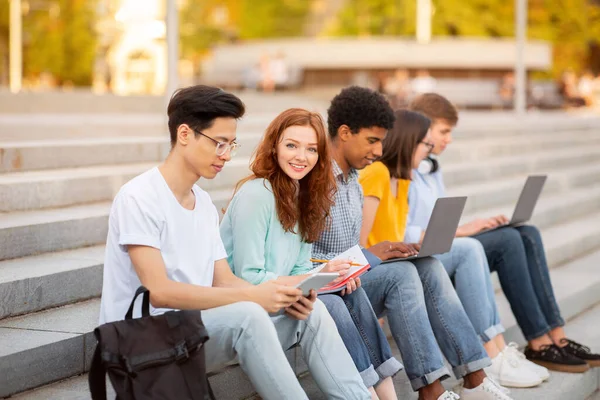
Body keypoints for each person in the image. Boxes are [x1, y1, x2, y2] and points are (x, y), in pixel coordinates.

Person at [98, 85, 370, 400]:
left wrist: (281, 294)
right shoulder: (139, 197)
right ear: (185, 134)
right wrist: (254, 296)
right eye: (219, 144)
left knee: (310, 313)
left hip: (193, 331)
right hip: (140, 340)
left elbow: (223, 280)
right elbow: (159, 292)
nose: (226, 155)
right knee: (249, 315)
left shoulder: (202, 203)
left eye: (231, 145)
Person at [314, 86, 512, 400]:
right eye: (372, 140)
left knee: (428, 264)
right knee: (406, 274)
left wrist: (382, 252)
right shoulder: (321, 179)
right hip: (331, 285)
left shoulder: (352, 180)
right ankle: (433, 390)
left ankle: (474, 378)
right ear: (344, 132)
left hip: (351, 277)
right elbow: (314, 257)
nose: (379, 150)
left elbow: (354, 250)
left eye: (382, 141)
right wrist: (373, 255)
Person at [408, 92, 600, 374]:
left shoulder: (432, 167)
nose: (449, 139)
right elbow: (404, 228)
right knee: (508, 241)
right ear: (422, 127)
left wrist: (475, 225)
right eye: (444, 131)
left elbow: (438, 219)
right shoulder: (404, 168)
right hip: (430, 250)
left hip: (447, 241)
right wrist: (462, 230)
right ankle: (538, 342)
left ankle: (556, 337)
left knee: (526, 232)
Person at [220, 108, 402, 399]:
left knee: (336, 296)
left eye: (311, 149)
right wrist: (317, 278)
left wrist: (327, 276)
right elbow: (247, 275)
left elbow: (299, 268)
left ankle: (375, 395)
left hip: (279, 301)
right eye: (291, 145)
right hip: (245, 307)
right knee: (322, 307)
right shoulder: (257, 194)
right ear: (274, 146)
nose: (300, 157)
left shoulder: (303, 198)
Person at [359, 108, 545, 389]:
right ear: (409, 142)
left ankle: (476, 375)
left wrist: (411, 247)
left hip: (395, 260)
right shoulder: (376, 174)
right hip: (375, 267)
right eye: (425, 144)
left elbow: (394, 234)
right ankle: (462, 377)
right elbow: (360, 244)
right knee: (451, 257)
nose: (429, 151)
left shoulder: (402, 178)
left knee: (432, 263)